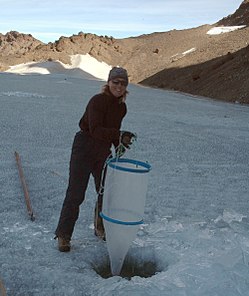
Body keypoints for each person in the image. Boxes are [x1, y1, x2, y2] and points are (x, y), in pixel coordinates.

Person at [55, 67, 135, 252]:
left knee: (106, 193)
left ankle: (101, 227)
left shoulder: (121, 107)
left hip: (102, 150)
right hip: (84, 147)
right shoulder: (97, 101)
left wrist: (119, 145)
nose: (119, 86)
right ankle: (63, 235)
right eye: (116, 82)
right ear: (108, 82)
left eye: (123, 83)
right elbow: (96, 129)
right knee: (76, 193)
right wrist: (118, 134)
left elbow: (114, 130)